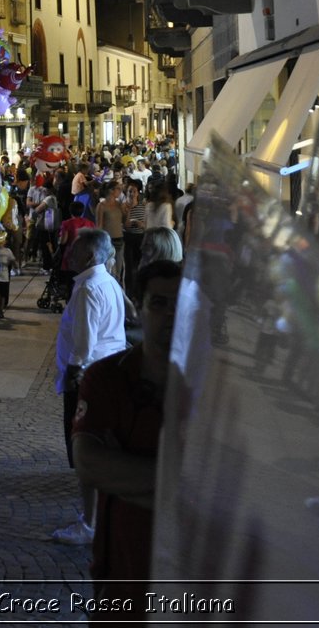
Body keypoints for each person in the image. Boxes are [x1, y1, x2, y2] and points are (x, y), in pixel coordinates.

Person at [73, 260, 183, 616]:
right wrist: (178, 477)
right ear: (140, 306)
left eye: (180, 305)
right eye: (159, 303)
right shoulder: (107, 377)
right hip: (120, 579)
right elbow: (89, 465)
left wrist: (123, 478)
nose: (170, 315)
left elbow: (219, 490)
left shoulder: (214, 391)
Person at [50, 229, 129, 547]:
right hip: (106, 373)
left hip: (89, 379)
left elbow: (83, 344)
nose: (69, 253)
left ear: (91, 256)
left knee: (85, 451)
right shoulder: (105, 281)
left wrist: (73, 376)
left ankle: (90, 523)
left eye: (76, 249)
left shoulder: (88, 289)